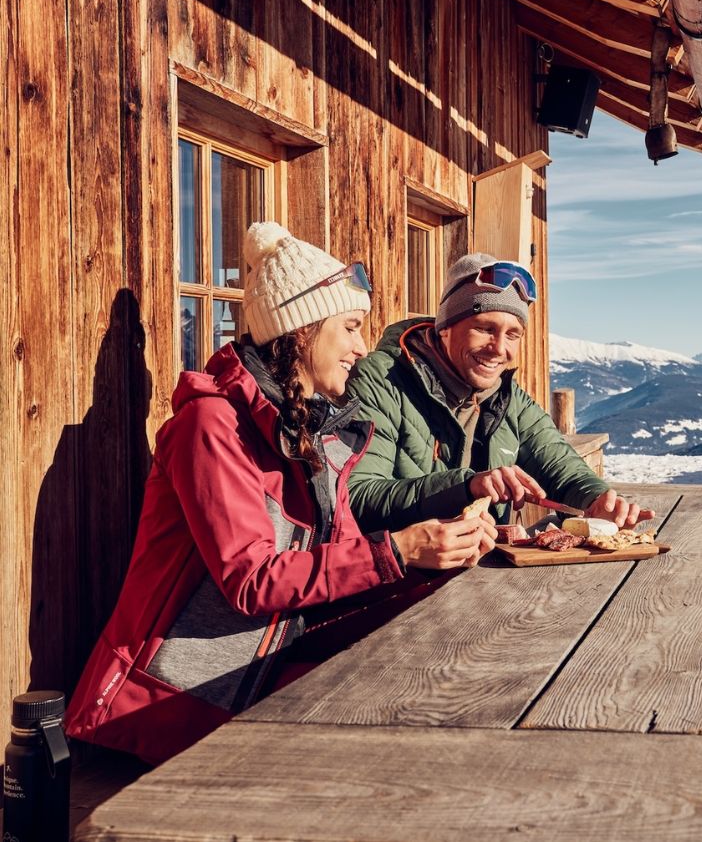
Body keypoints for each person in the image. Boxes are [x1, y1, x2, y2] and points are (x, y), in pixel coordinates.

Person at [65, 223, 495, 764]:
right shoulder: (211, 426)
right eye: (352, 327)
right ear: (303, 330)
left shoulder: (312, 435)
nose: (363, 348)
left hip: (253, 689)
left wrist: (437, 560)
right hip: (155, 719)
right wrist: (399, 549)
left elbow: (337, 578)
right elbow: (251, 582)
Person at [347, 253, 652, 534]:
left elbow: (560, 466)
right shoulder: (382, 380)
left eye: (512, 334)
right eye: (484, 329)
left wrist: (597, 499)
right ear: (445, 327)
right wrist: (466, 488)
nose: (499, 349)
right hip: (400, 580)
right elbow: (357, 498)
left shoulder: (506, 397)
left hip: (483, 577)